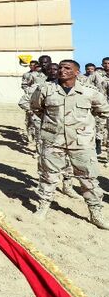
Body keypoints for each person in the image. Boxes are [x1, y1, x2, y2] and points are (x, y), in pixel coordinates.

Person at [31, 60, 109, 229]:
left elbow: (103, 110)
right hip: (53, 140)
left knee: (88, 179)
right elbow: (36, 107)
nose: (62, 70)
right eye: (60, 67)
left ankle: (96, 213)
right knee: (48, 176)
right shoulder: (45, 89)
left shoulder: (89, 92)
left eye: (67, 68)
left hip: (82, 143)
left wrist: (86, 127)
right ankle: (43, 206)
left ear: (76, 72)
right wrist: (51, 125)